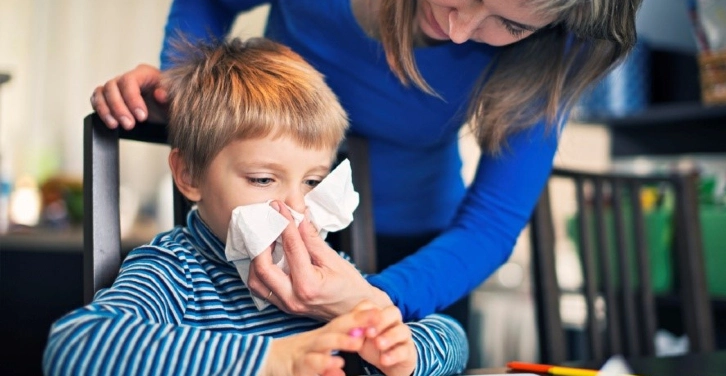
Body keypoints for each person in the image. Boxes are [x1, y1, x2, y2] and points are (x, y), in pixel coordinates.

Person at [91, 0, 643, 330]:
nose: (457, 27)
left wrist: (373, 306)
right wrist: (191, 90)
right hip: (255, 242)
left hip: (419, 255)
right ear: (185, 173)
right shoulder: (173, 278)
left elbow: (491, 225)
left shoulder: (559, 48)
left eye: (511, 24)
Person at [45, 37, 469, 376]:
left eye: (313, 182)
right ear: (190, 175)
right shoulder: (174, 272)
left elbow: (452, 336)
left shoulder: (324, 274)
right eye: (263, 179)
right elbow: (76, 345)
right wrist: (275, 360)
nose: (296, 209)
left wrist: (405, 353)